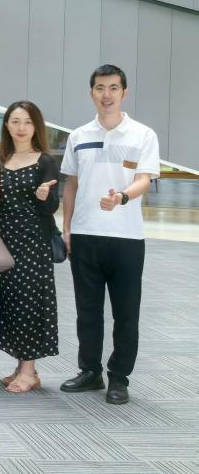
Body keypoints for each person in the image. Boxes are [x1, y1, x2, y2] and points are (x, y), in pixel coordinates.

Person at [60, 64, 159, 405]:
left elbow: (144, 179)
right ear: (92, 92)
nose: (107, 94)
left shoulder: (143, 135)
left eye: (113, 88)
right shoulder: (78, 136)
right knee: (87, 311)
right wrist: (67, 227)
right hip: (85, 234)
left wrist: (122, 197)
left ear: (124, 92)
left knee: (126, 313)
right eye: (100, 88)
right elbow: (71, 184)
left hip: (127, 237)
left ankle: (119, 377)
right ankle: (90, 371)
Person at [0, 101, 61, 393]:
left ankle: (29, 370)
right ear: (7, 125)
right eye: (15, 121)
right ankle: (23, 367)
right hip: (3, 242)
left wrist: (45, 196)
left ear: (36, 127)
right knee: (12, 302)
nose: (21, 128)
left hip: (32, 244)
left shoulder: (44, 161)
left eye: (28, 122)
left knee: (30, 303)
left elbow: (51, 207)